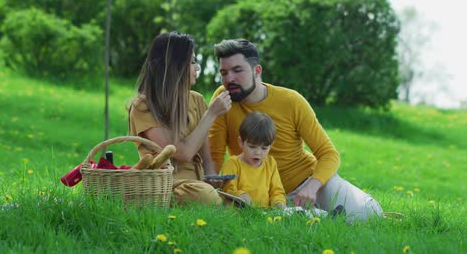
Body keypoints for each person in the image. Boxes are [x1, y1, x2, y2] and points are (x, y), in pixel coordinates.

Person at [209, 39, 383, 222]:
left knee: (368, 214)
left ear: (257, 71)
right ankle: (320, 217)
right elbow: (215, 157)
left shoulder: (291, 101)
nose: (229, 79)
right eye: (224, 73)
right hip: (261, 194)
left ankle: (322, 213)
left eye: (237, 71)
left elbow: (328, 154)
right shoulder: (222, 99)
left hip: (308, 182)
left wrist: (312, 187)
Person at [128, 31, 232, 205]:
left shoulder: (196, 100)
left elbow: (206, 156)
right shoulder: (143, 107)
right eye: (191, 62)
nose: (197, 67)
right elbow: (182, 152)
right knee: (205, 196)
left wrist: (214, 180)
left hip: (197, 184)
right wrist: (211, 114)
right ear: (175, 66)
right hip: (166, 185)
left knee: (229, 193)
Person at [221, 112, 286, 209]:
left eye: (264, 148)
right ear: (241, 142)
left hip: (264, 215)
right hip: (240, 212)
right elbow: (227, 190)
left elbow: (277, 191)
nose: (258, 153)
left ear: (271, 146)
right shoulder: (233, 163)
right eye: (252, 147)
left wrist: (278, 202)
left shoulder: (270, 163)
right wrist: (240, 195)